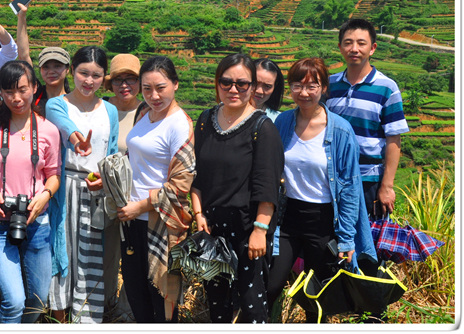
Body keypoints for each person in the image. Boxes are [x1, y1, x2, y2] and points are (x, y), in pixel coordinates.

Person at [267, 58, 377, 323]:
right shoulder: (282, 122)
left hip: (324, 222)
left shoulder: (340, 130)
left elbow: (350, 187)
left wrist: (347, 239)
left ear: (324, 88)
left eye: (311, 86)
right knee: (269, 287)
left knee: (317, 301)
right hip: (287, 219)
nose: (303, 93)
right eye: (297, 85)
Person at [0, 60, 61, 323]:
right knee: (14, 300)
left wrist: (45, 196)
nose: (16, 98)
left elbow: (53, 176)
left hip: (36, 221)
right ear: (0, 93)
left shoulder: (48, 130)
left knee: (37, 302)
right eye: (8, 91)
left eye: (23, 89)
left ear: (34, 87)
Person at [190, 53, 283, 324]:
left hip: (246, 232)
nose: (233, 89)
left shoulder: (262, 128)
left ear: (253, 86)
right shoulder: (206, 120)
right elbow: (199, 176)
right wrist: (198, 215)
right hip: (212, 231)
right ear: (217, 84)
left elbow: (267, 186)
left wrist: (260, 231)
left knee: (252, 306)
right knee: (216, 305)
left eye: (242, 83)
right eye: (226, 82)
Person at [325, 19, 408, 321]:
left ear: (372, 47)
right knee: (333, 244)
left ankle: (375, 315)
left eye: (361, 43)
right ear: (340, 47)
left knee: (369, 248)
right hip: (332, 182)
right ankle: (341, 311)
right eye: (348, 42)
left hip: (369, 182)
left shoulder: (387, 87)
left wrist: (387, 184)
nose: (354, 49)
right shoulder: (329, 84)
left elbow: (393, 139)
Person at [45, 46, 119, 323]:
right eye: (83, 73)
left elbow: (111, 151)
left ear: (104, 78)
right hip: (64, 187)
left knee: (90, 255)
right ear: (72, 72)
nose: (89, 81)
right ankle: (59, 318)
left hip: (95, 189)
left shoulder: (109, 110)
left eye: (96, 75)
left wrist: (105, 178)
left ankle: (86, 319)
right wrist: (78, 141)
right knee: (61, 249)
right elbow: (63, 125)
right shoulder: (57, 103)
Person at [120, 56, 196, 322]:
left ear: (175, 84)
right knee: (136, 293)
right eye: (147, 88)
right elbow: (133, 158)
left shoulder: (179, 124)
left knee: (163, 301)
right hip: (131, 220)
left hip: (160, 224)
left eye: (161, 87)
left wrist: (139, 207)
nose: (154, 95)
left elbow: (180, 185)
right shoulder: (144, 112)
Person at [101, 53, 141, 319]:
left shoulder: (149, 111)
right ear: (110, 84)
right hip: (103, 197)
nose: (124, 84)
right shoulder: (101, 109)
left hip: (137, 200)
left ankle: (127, 312)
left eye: (131, 79)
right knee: (106, 256)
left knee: (135, 259)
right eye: (118, 79)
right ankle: (102, 308)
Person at [253, 58, 285, 122]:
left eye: (267, 86)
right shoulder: (228, 113)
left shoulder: (278, 120)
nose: (259, 91)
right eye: (255, 83)